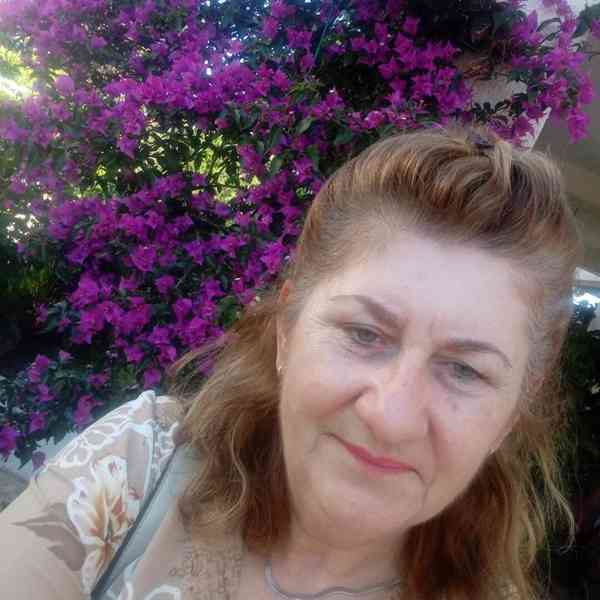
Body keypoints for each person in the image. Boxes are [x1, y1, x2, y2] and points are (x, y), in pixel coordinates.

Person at [0, 125, 582, 600]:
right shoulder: (140, 465)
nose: (391, 417)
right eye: (364, 333)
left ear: (511, 414)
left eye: (464, 371)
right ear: (286, 331)